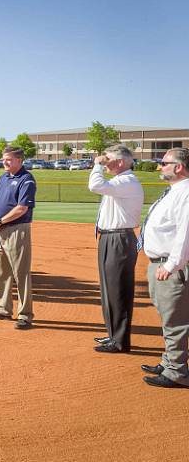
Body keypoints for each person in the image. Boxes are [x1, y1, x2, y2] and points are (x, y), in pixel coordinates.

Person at [139, 148, 189, 389]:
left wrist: (171, 264)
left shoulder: (186, 191)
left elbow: (185, 232)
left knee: (175, 320)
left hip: (170, 265)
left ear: (178, 167)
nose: (160, 166)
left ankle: (177, 371)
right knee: (168, 315)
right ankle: (170, 361)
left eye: (164, 163)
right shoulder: (175, 191)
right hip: (159, 263)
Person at [88, 145, 143, 353]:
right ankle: (113, 334)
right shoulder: (120, 181)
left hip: (119, 239)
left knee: (118, 290)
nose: (104, 161)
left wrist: (97, 165)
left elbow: (94, 185)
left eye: (108, 159)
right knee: (109, 289)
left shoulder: (126, 181)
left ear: (120, 162)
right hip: (110, 238)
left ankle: (120, 340)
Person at [0, 147, 37, 330]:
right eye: (3, 159)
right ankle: (3, 308)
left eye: (8, 159)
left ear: (19, 160)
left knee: (20, 273)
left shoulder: (26, 179)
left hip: (16, 230)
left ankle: (25, 314)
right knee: (2, 272)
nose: (4, 162)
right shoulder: (3, 177)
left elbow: (22, 208)